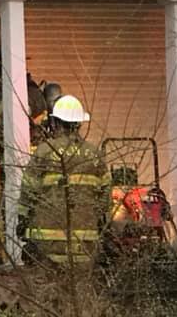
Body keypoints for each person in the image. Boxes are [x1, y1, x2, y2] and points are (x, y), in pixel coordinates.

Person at [18, 94, 110, 267]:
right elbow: (104, 199)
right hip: (84, 243)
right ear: (80, 124)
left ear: (56, 122)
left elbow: (28, 191)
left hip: (46, 244)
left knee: (48, 289)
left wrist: (21, 220)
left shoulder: (44, 151)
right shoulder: (95, 155)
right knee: (80, 289)